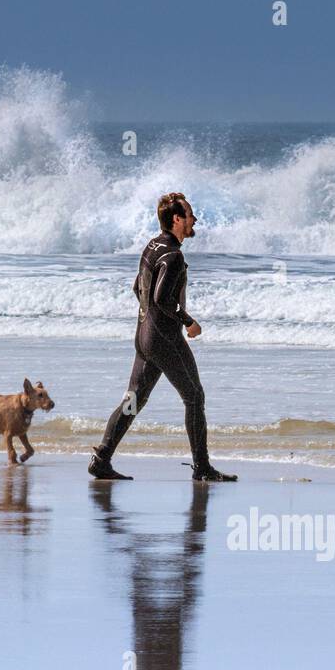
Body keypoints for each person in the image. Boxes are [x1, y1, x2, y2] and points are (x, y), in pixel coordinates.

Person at [88, 193, 237, 482]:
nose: (194, 220)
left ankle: (102, 458)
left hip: (144, 337)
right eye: (190, 215)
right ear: (177, 219)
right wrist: (188, 321)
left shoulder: (151, 247)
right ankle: (202, 468)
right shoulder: (173, 255)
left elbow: (138, 289)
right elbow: (161, 298)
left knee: (134, 400)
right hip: (164, 339)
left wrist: (149, 323)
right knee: (194, 397)